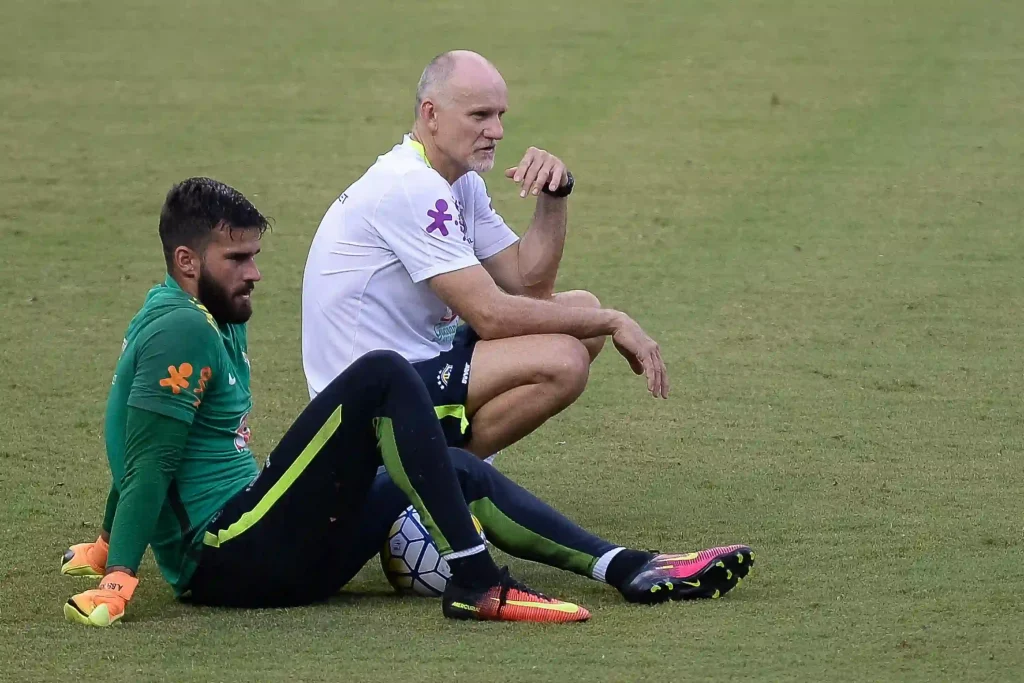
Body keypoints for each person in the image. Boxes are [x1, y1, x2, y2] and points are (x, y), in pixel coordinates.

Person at [62, 177, 755, 627]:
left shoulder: (207, 315)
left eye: (252, 255)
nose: (254, 271)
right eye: (236, 259)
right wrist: (120, 573)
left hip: (266, 543)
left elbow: (138, 437)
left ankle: (626, 566)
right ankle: (477, 580)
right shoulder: (180, 328)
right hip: (226, 556)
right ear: (188, 262)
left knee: (454, 465)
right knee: (382, 375)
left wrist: (98, 544)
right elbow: (145, 460)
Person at [302, 50, 669, 460]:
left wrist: (555, 194)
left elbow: (529, 285)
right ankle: (425, 487)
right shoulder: (410, 185)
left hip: (418, 362)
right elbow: (492, 316)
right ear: (431, 114)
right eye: (479, 116)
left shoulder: (458, 181)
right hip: (361, 402)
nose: (496, 130)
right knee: (564, 359)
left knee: (582, 314)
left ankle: (444, 472)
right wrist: (615, 320)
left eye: (500, 115)